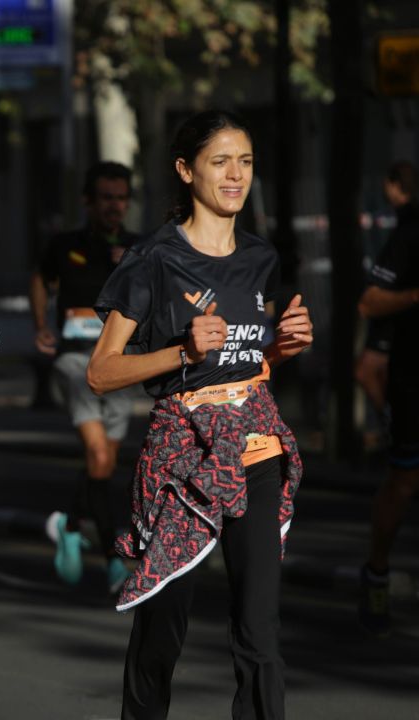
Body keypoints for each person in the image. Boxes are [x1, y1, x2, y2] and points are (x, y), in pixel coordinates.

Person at [87, 110, 313, 719]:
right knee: (164, 627)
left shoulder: (262, 259)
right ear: (187, 171)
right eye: (220, 161)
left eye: (244, 161)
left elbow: (249, 359)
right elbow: (101, 371)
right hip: (183, 456)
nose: (235, 175)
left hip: (255, 446)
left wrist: (281, 348)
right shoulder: (153, 259)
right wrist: (180, 350)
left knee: (259, 631)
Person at [30, 161, 139, 594]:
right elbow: (40, 279)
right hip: (75, 362)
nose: (115, 206)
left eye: (121, 198)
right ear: (89, 201)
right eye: (107, 197)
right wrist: (42, 323)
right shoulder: (65, 244)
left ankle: (69, 523)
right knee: (97, 453)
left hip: (121, 363)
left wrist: (130, 265)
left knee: (104, 463)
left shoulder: (137, 247)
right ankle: (114, 558)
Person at [357, 160, 419, 636]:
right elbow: (369, 301)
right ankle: (376, 572)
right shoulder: (411, 231)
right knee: (403, 483)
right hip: (413, 379)